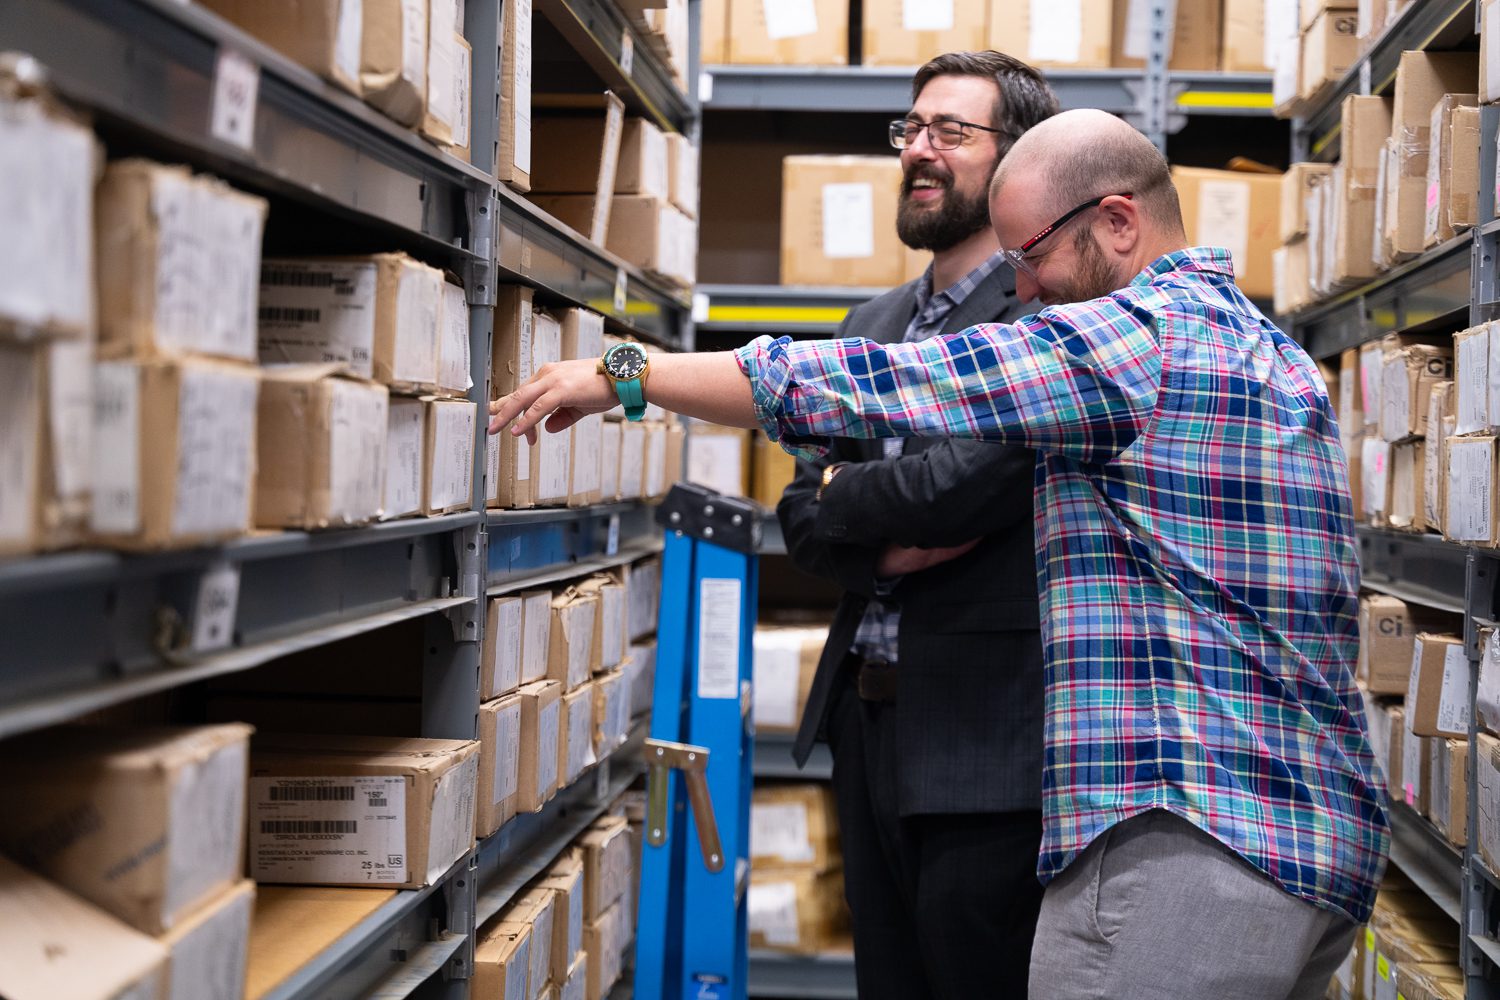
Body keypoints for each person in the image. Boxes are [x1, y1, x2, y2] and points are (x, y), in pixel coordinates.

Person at [491, 109, 1390, 999]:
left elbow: (877, 385)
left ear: (1118, 221)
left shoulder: (1137, 341)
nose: (1026, 288)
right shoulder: (1268, 350)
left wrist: (626, 375)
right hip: (1309, 840)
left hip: (1188, 841)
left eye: (1031, 256)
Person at [776, 50, 1055, 1000]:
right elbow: (797, 515)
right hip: (869, 721)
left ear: (1016, 160)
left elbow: (964, 491)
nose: (919, 152)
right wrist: (875, 529)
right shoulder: (871, 323)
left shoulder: (1045, 324)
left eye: (950, 132)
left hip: (988, 739)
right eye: (910, 130)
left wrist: (847, 496)